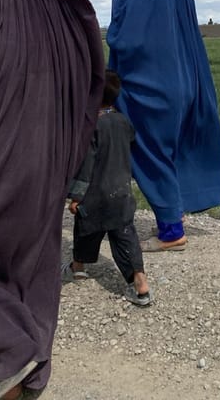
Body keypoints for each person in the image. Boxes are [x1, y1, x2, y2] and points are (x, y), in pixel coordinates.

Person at [0, 0, 104, 400]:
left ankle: (8, 350)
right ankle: (22, 375)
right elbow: (89, 106)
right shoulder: (74, 39)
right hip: (44, 180)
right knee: (29, 275)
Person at [106, 0, 220, 252]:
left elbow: (126, 38)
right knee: (173, 148)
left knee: (150, 151)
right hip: (186, 82)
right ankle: (177, 211)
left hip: (150, 86)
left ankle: (171, 230)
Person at [63, 69, 152, 306]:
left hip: (95, 194)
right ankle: (141, 284)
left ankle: (79, 267)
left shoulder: (92, 127)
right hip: (121, 192)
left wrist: (76, 196)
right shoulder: (123, 121)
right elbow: (131, 141)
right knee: (125, 236)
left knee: (85, 229)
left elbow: (86, 164)